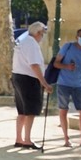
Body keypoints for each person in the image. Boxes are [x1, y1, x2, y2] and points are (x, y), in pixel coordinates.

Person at [50, 26, 81, 149]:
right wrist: (66, 66)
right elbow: (56, 63)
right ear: (76, 37)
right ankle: (66, 138)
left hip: (78, 84)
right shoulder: (67, 47)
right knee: (63, 110)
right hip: (63, 83)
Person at [11, 22, 49, 150]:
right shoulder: (31, 44)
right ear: (38, 33)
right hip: (28, 79)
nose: (42, 37)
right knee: (30, 111)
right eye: (42, 34)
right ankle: (27, 139)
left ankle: (19, 138)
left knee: (22, 110)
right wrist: (44, 82)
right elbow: (34, 65)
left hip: (18, 76)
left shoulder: (24, 41)